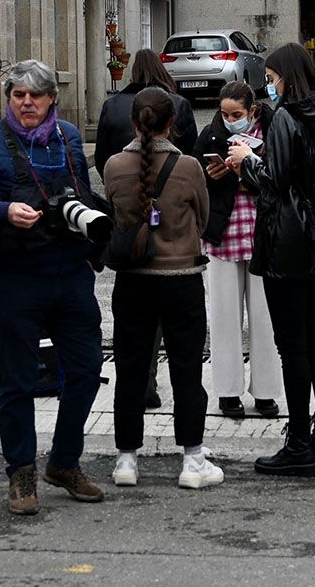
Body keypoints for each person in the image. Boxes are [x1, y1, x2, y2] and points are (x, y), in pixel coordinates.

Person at [0, 60, 108, 516]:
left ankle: (64, 462)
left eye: (36, 95)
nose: (27, 103)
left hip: (70, 272)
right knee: (17, 380)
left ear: (51, 98)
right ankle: (20, 471)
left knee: (85, 368)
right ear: (9, 97)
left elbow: (81, 191)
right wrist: (3, 210)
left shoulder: (69, 137)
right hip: (16, 276)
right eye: (18, 95)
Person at [227, 42, 315, 476]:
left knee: (291, 344)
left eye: (272, 80)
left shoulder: (286, 119)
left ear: (287, 78)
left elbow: (273, 183)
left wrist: (245, 161)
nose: (269, 87)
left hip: (286, 242)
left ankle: (298, 442)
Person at [103, 87, 221, 490]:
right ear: (172, 123)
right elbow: (202, 219)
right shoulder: (188, 167)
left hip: (133, 281)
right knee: (187, 370)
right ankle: (192, 459)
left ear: (134, 123)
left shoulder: (115, 165)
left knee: (131, 369)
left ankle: (126, 460)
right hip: (181, 279)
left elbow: (116, 212)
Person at [92, 47, 198, 410]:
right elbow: (196, 178)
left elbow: (102, 161)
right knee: (182, 334)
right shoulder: (179, 103)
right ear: (170, 122)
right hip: (176, 236)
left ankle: (142, 386)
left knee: (135, 328)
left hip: (129, 231)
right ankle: (187, 425)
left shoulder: (112, 107)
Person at [195, 81, 282, 419]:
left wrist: (243, 173)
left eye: (237, 114)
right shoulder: (210, 135)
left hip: (264, 234)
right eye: (225, 113)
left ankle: (266, 392)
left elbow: (279, 178)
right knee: (223, 316)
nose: (230, 119)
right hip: (223, 234)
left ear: (253, 111)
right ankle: (227, 391)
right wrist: (212, 174)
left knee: (265, 318)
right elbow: (196, 178)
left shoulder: (275, 131)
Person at [94, 49, 199, 176]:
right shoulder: (179, 104)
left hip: (124, 181)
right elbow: (192, 152)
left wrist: (114, 183)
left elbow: (101, 156)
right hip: (173, 181)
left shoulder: (112, 105)